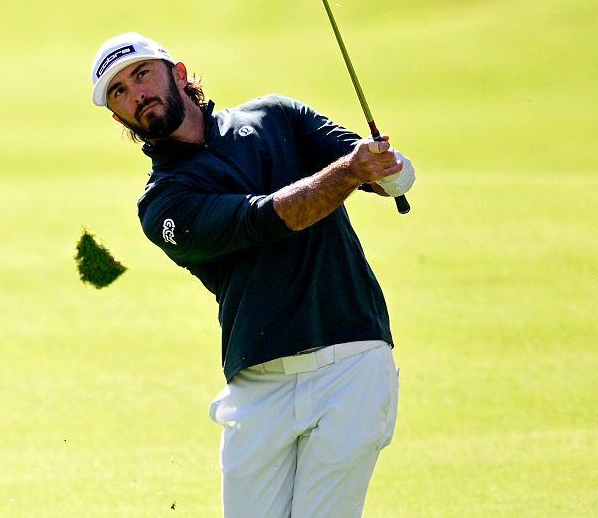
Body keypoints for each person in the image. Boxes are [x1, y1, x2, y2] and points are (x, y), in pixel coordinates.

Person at [89, 32, 415, 518]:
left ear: (177, 73)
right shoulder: (162, 204)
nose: (136, 92)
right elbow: (267, 219)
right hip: (259, 385)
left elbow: (385, 174)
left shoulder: (276, 115)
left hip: (352, 359)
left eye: (141, 74)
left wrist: (390, 170)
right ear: (120, 118)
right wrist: (350, 171)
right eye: (119, 91)